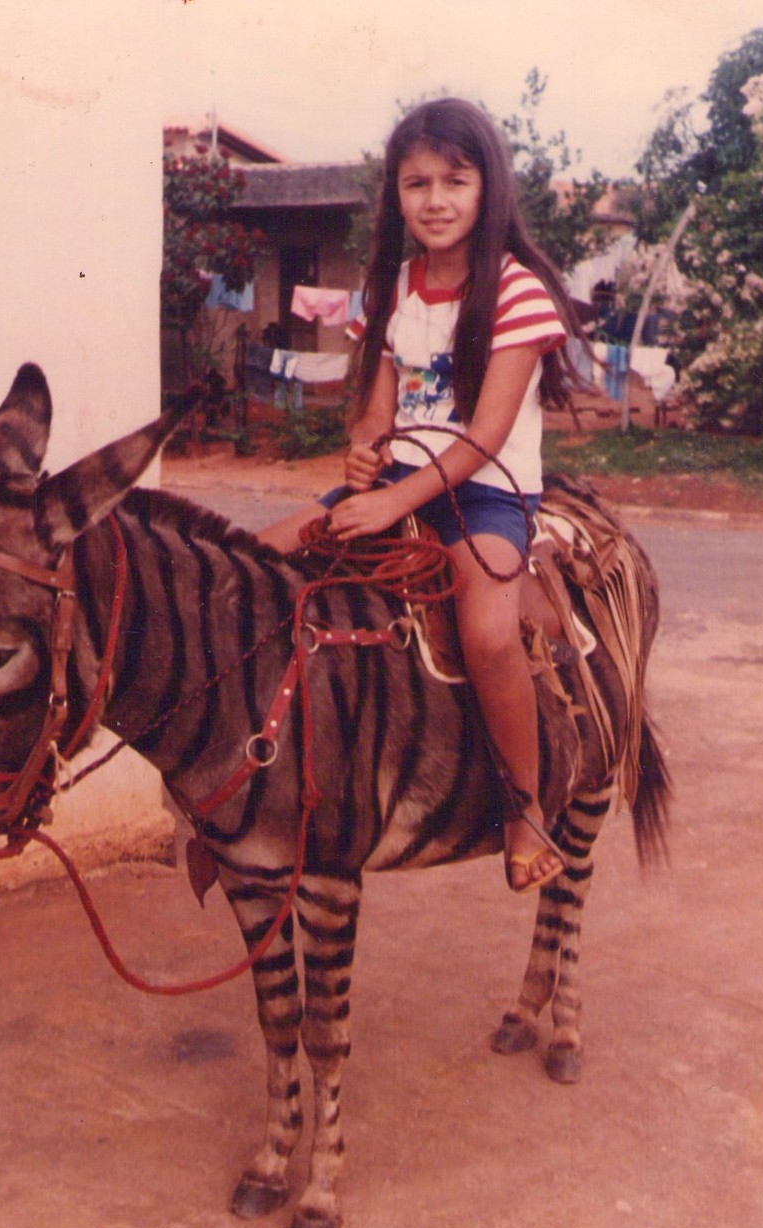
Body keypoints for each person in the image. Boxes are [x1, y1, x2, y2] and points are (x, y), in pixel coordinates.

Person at [262, 97, 591, 894]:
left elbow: (482, 435)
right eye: (417, 184)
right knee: (264, 554)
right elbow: (383, 401)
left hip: (486, 493)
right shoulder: (392, 287)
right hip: (398, 481)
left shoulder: (517, 293)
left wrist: (392, 499)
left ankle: (523, 804)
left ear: (489, 189)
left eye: (455, 180)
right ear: (396, 197)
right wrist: (365, 451)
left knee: (485, 630)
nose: (436, 200)